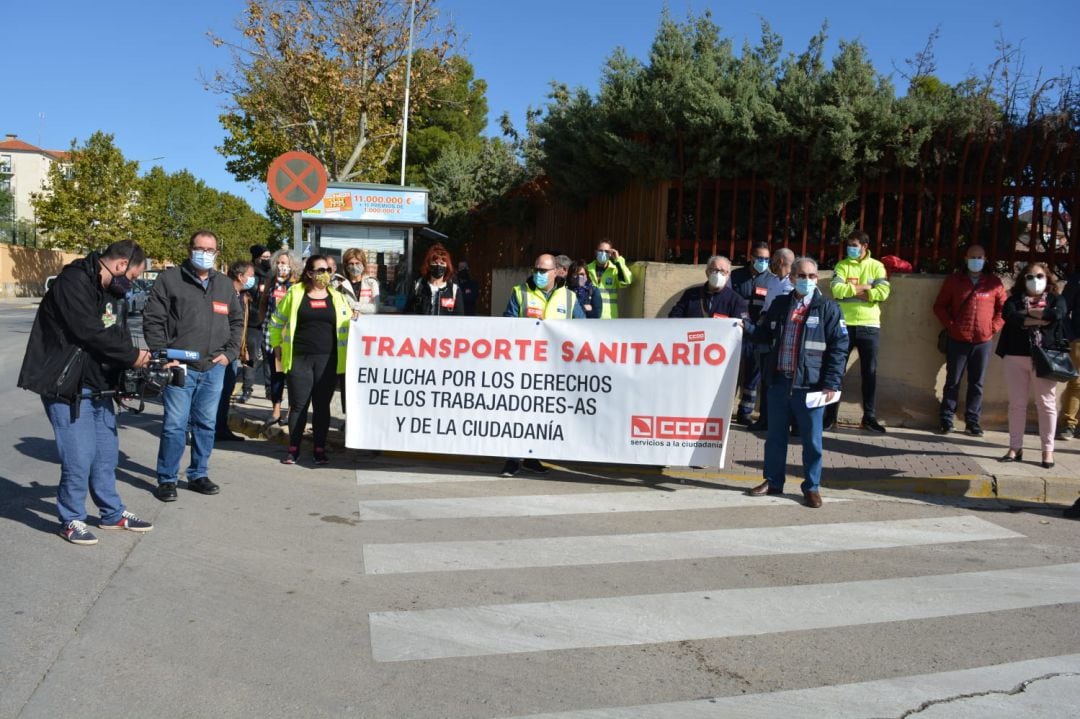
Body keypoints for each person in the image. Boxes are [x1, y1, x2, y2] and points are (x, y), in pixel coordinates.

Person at [18, 240, 155, 544]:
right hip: (66, 384)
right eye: (133, 276)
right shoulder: (73, 281)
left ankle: (112, 513)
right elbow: (89, 332)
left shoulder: (112, 291)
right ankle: (71, 518)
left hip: (99, 385)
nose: (131, 283)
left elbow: (115, 334)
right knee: (79, 456)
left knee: (105, 454)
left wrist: (123, 379)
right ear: (120, 265)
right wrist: (133, 355)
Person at [143, 230, 244, 502]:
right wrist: (163, 356)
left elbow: (236, 321)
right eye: (200, 248)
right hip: (179, 367)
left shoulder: (223, 284)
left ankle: (198, 473)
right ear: (190, 250)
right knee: (174, 425)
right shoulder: (170, 280)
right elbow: (153, 320)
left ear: (216, 253)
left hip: (213, 368)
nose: (205, 254)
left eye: (210, 250)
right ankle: (167, 478)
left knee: (206, 424)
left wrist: (230, 353)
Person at [748, 257, 849, 508]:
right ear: (792, 278)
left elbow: (839, 348)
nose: (807, 281)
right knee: (774, 437)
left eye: (812, 276)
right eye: (802, 276)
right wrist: (741, 326)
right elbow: (762, 334)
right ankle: (773, 481)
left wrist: (831, 383)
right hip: (779, 383)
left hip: (811, 387)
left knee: (812, 440)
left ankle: (811, 487)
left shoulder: (828, 309)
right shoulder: (780, 304)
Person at [501, 253, 585, 476]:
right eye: (536, 269)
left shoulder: (569, 298)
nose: (538, 274)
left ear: (556, 272)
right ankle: (512, 458)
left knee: (541, 413)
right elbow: (507, 323)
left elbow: (583, 329)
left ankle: (531, 457)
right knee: (518, 411)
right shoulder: (520, 292)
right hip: (524, 363)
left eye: (543, 270)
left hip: (554, 366)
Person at [268, 255, 352, 465]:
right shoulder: (295, 293)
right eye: (320, 270)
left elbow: (349, 323)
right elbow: (276, 321)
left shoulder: (337, 297)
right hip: (299, 358)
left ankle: (319, 449)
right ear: (309, 272)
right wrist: (276, 346)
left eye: (328, 270)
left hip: (329, 360)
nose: (325, 274)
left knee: (322, 407)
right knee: (299, 405)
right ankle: (293, 448)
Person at [996, 262, 1066, 469]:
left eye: (1040, 276)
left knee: (1046, 404)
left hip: (1045, 357)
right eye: (1029, 277)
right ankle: (1015, 447)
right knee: (1016, 404)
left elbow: (1058, 314)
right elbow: (1010, 315)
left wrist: (1028, 318)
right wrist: (1040, 318)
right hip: (1015, 356)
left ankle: (1047, 450)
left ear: (1048, 278)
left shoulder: (1056, 299)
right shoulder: (1014, 299)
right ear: (1022, 280)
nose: (1035, 281)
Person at [932, 245, 1006, 436]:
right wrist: (951, 326)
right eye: (972, 257)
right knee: (952, 381)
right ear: (965, 259)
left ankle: (972, 421)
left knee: (977, 383)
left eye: (979, 257)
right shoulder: (955, 281)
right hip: (958, 339)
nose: (976, 261)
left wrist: (993, 327)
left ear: (985, 258)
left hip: (983, 340)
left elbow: (1004, 310)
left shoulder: (994, 283)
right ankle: (946, 419)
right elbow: (939, 306)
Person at [825, 229, 891, 433]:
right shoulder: (842, 265)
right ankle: (830, 417)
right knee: (836, 370)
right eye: (849, 245)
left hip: (869, 325)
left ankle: (869, 417)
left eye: (855, 246)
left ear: (865, 247)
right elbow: (836, 291)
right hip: (843, 325)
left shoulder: (877, 266)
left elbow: (883, 293)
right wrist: (866, 288)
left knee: (869, 373)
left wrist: (852, 290)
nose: (851, 249)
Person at [749, 247, 796, 433]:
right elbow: (767, 306)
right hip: (766, 331)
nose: (771, 264)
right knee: (765, 378)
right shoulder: (774, 281)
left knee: (779, 381)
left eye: (774, 260)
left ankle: (783, 421)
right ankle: (764, 418)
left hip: (781, 335)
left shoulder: (792, 283)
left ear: (782, 262)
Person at [730, 241, 774, 425]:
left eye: (766, 258)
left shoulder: (771, 279)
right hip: (736, 331)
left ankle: (745, 412)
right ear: (751, 257)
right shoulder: (736, 275)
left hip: (757, 332)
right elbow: (728, 299)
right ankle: (723, 409)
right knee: (730, 373)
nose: (763, 261)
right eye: (759, 258)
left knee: (753, 375)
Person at [215, 260, 256, 443]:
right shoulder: (224, 294)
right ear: (240, 276)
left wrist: (242, 349)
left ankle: (221, 428)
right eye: (251, 276)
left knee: (227, 390)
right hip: (221, 351)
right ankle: (205, 429)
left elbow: (242, 326)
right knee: (216, 391)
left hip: (233, 352)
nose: (252, 280)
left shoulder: (242, 295)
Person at [259, 249, 299, 429]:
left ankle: (290, 411)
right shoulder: (271, 282)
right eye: (279, 262)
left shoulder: (296, 284)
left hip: (290, 337)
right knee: (275, 374)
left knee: (291, 375)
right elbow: (264, 307)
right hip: (271, 335)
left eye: (286, 263)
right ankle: (275, 409)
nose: (282, 266)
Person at [667, 255, 749, 322]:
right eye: (715, 270)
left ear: (728, 275)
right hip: (692, 341)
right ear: (707, 272)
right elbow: (673, 317)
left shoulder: (736, 300)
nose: (718, 274)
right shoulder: (690, 295)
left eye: (723, 271)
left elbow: (743, 325)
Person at [238, 245, 272, 403]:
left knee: (269, 359)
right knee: (250, 358)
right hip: (252, 322)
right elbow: (242, 295)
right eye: (264, 257)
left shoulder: (273, 275)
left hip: (270, 323)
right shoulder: (250, 275)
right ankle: (246, 390)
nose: (267, 260)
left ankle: (270, 390)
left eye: (269, 257)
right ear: (257, 258)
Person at [405, 244, 464, 316]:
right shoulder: (418, 286)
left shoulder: (454, 290)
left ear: (447, 266)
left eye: (442, 263)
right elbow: (408, 313)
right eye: (435, 263)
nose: (438, 266)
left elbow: (459, 318)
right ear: (429, 265)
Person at [1056, 268, 1080, 440]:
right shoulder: (1077, 279)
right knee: (1076, 384)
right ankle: (1069, 424)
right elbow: (1063, 308)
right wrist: (1071, 335)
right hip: (1079, 339)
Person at [586, 238, 633, 318]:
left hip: (609, 317)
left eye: (607, 251)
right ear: (596, 252)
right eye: (600, 251)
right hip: (591, 315)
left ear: (610, 254)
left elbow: (627, 281)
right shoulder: (587, 269)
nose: (603, 253)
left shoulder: (614, 270)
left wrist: (618, 260)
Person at [341, 247, 380, 316]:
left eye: (357, 263)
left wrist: (352, 305)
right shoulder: (341, 284)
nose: (354, 267)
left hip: (367, 323)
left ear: (363, 264)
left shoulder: (371, 282)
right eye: (351, 264)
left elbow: (375, 308)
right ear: (346, 266)